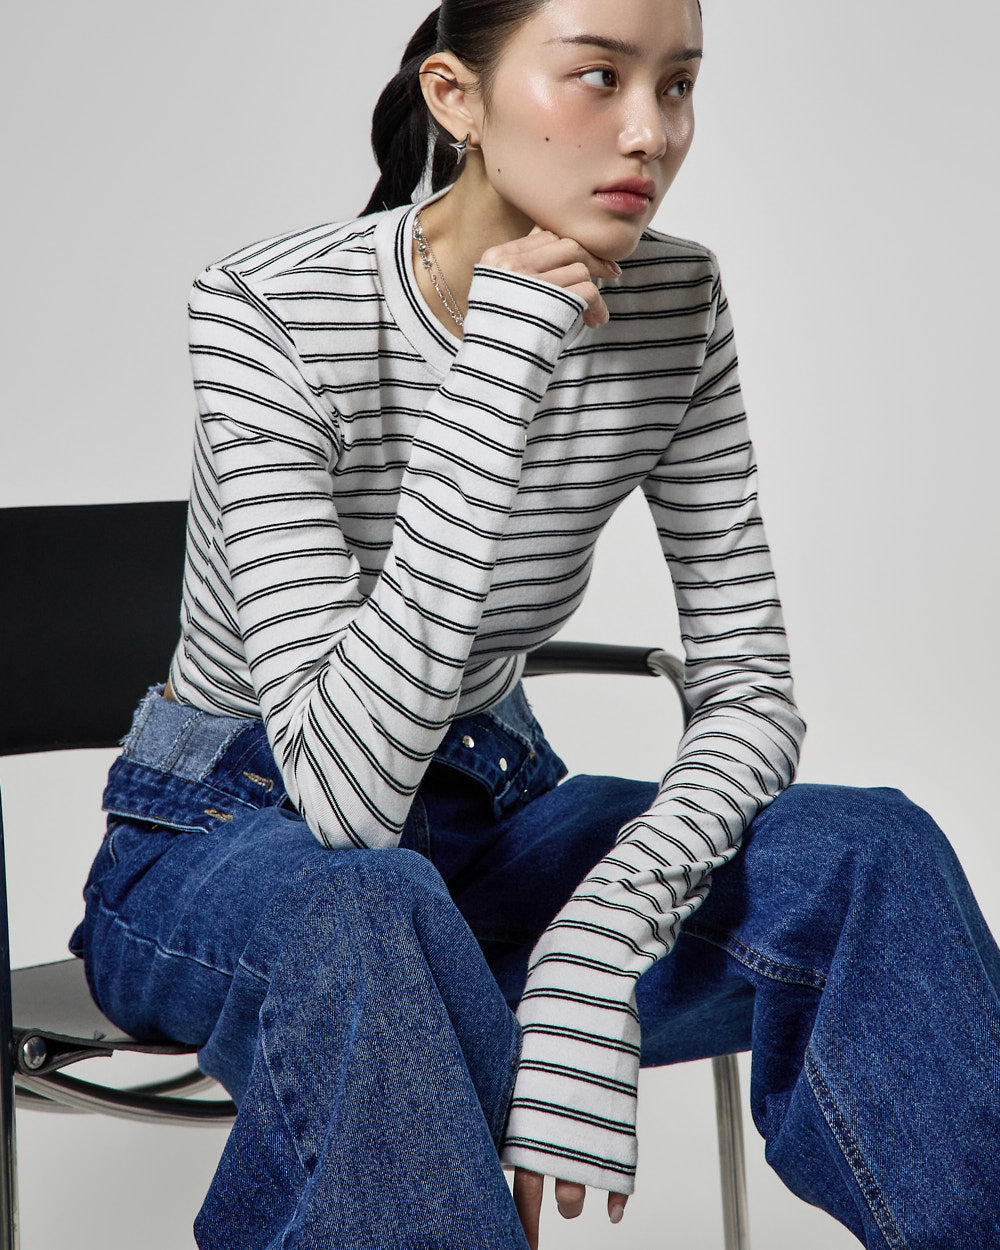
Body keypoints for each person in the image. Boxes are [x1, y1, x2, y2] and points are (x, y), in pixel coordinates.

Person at [68, 0, 1000, 1246]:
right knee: (372, 908)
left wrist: (594, 949)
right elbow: (346, 803)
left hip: (491, 811)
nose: (649, 131)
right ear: (456, 97)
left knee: (868, 849)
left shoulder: (676, 295)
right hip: (224, 837)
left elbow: (748, 692)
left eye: (677, 84)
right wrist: (497, 370)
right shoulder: (266, 306)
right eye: (598, 77)